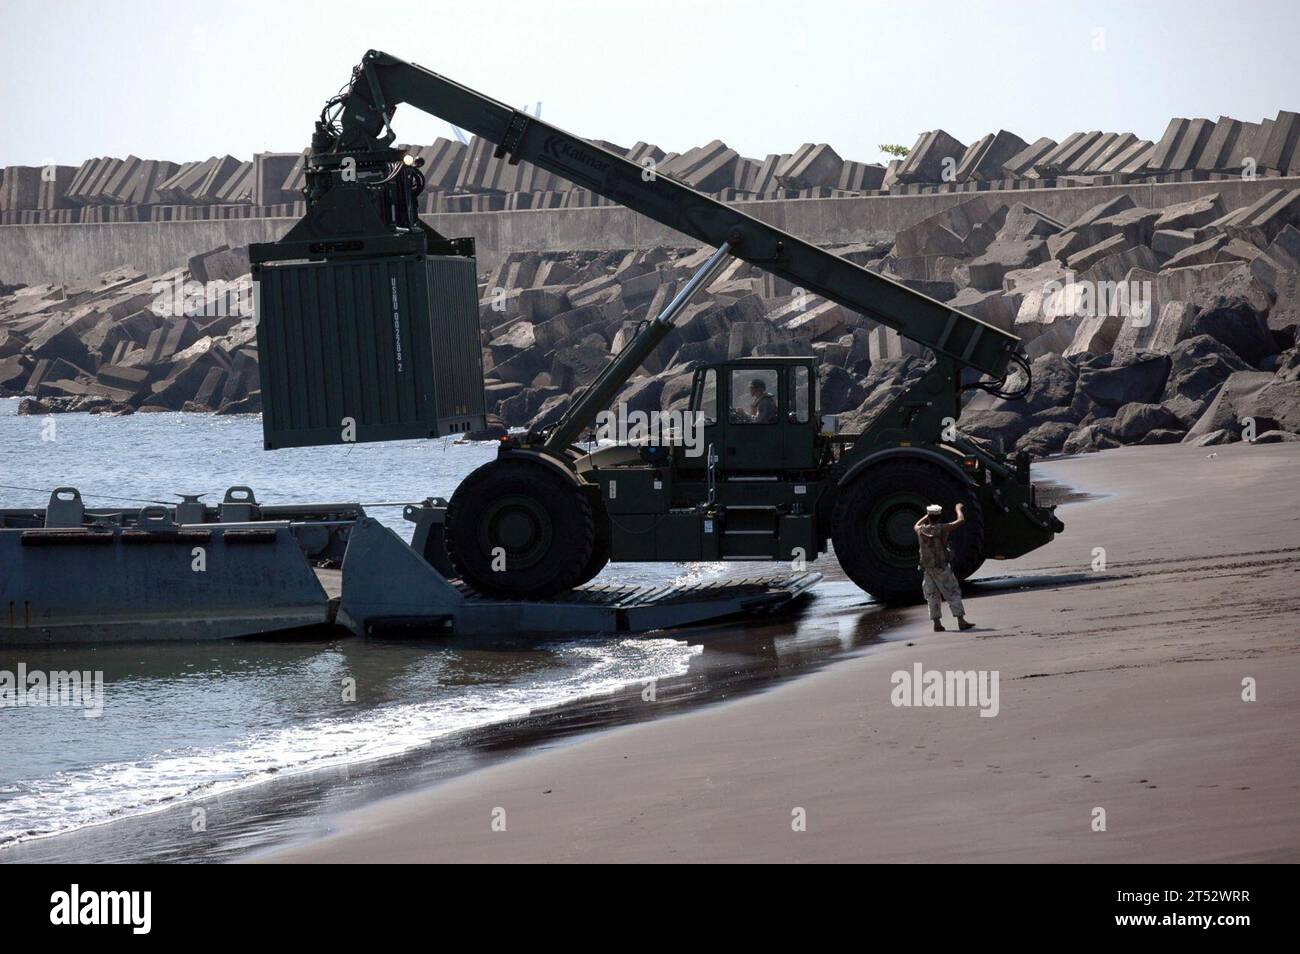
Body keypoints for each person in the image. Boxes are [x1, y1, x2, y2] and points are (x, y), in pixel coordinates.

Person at [914, 503, 975, 632]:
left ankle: (937, 624)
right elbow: (961, 520)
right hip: (941, 567)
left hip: (927, 569)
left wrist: (927, 515)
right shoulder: (943, 528)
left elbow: (916, 524)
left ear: (929, 516)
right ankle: (961, 621)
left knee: (932, 595)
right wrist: (958, 509)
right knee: (952, 592)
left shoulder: (920, 530)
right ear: (940, 516)